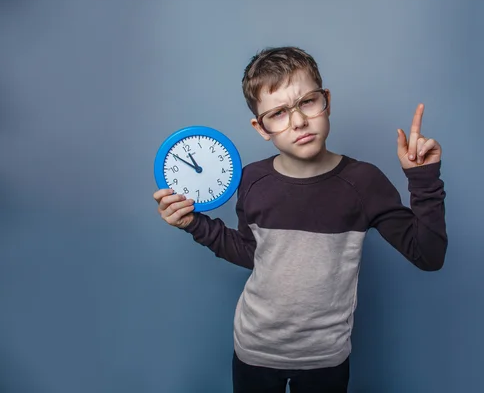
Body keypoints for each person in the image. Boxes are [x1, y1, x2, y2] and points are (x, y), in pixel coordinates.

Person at [153, 46, 447, 393]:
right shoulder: (251, 181)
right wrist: (194, 224)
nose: (298, 121)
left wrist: (423, 180)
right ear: (261, 127)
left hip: (325, 358)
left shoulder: (364, 183)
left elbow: (428, 256)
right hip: (254, 350)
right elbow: (253, 253)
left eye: (307, 101)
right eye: (278, 113)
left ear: (327, 101)